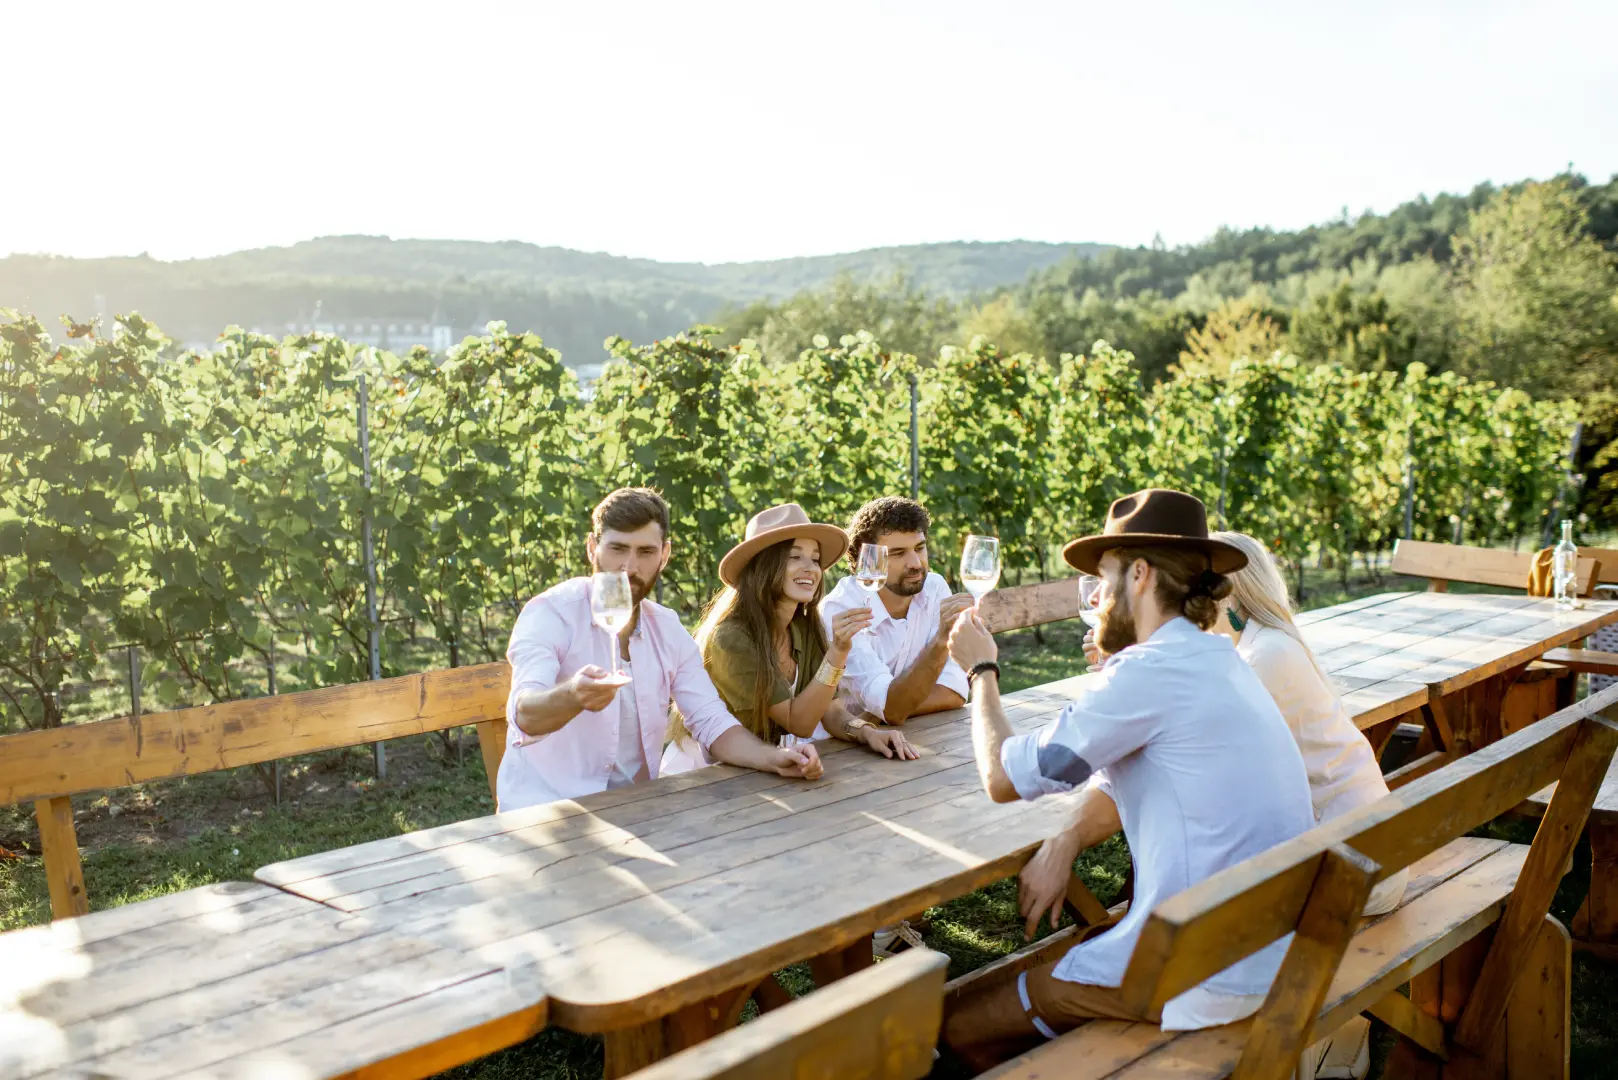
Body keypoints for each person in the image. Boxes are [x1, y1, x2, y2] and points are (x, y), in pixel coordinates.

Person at [941, 489, 1315, 1072]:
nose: (1096, 597)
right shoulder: (1218, 660)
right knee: (1057, 966)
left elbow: (1002, 776)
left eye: (1105, 577)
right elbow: (1138, 775)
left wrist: (981, 670)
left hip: (1197, 970)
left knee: (954, 1024)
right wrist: (1065, 838)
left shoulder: (1150, 673)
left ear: (1139, 575)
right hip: (1267, 949)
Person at [498, 488, 823, 813]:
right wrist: (572, 695)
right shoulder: (551, 613)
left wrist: (774, 758)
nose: (629, 566)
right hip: (545, 812)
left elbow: (710, 721)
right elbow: (524, 714)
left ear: (664, 554)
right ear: (592, 548)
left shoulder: (667, 629)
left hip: (637, 812)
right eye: (617, 549)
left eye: (646, 552)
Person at [661, 502, 919, 774]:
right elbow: (799, 723)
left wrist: (867, 732)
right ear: (765, 565)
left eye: (815, 559)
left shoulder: (804, 625)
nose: (811, 569)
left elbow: (829, 711)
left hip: (762, 770)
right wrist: (837, 653)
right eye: (795, 557)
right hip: (704, 777)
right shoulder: (731, 638)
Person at [819, 496, 974, 725]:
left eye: (919, 548)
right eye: (898, 553)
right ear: (867, 562)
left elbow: (954, 692)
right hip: (840, 750)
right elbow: (892, 709)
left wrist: (880, 712)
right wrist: (942, 638)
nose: (916, 563)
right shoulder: (841, 609)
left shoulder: (934, 587)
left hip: (904, 736)